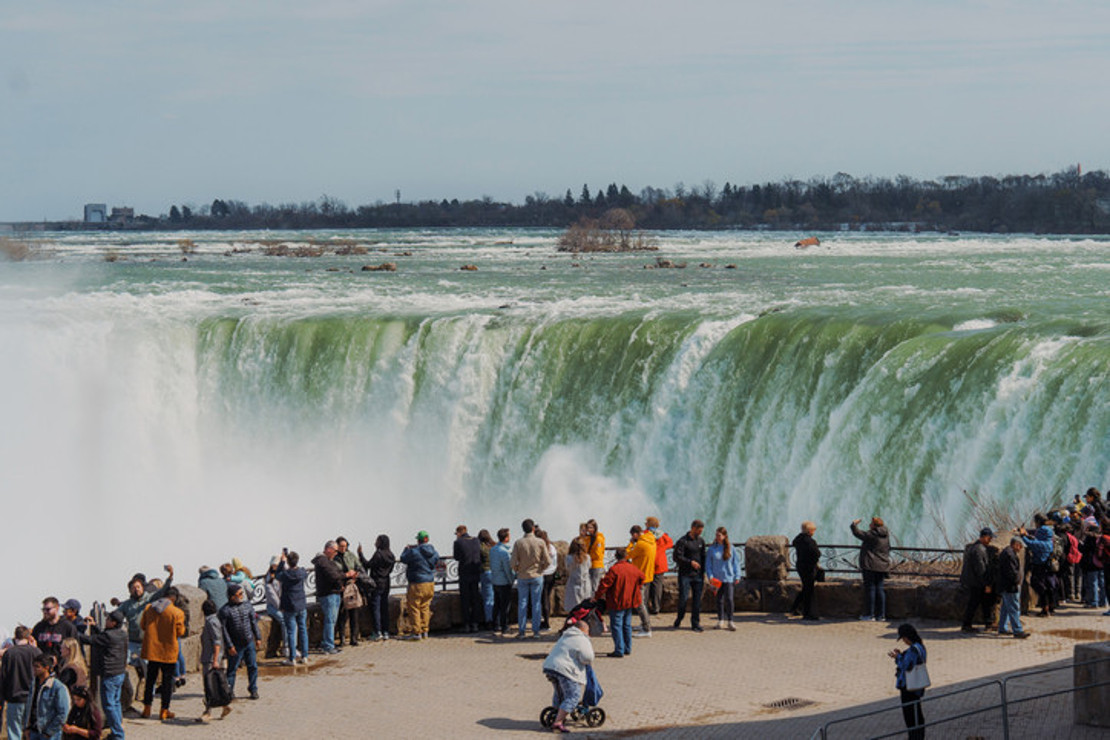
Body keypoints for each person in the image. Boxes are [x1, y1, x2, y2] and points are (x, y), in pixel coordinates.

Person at [541, 606, 596, 734]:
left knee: (560, 693)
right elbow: (588, 657)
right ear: (584, 630)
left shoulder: (565, 635)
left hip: (550, 667)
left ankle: (557, 712)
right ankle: (558, 722)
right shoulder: (582, 638)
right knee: (573, 696)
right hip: (565, 670)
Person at [79, 610, 127, 740]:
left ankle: (118, 735)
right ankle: (118, 729)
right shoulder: (122, 634)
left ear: (113, 622)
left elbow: (91, 640)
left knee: (109, 706)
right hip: (119, 673)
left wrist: (74, 633)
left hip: (110, 675)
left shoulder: (109, 636)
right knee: (115, 703)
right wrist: (95, 626)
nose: (106, 621)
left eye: (108, 619)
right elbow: (102, 636)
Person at [139, 586, 185, 721]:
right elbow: (180, 632)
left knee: (150, 680)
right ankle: (164, 710)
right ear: (174, 598)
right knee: (167, 682)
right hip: (168, 652)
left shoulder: (149, 608)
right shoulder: (177, 612)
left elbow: (143, 625)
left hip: (152, 651)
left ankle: (147, 708)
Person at [118, 566, 174, 674]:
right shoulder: (127, 604)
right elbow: (116, 615)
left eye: (138, 587)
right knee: (124, 660)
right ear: (130, 590)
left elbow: (163, 591)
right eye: (133, 588)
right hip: (132, 641)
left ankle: (148, 682)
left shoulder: (150, 599)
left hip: (147, 641)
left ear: (143, 587)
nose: (136, 589)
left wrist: (170, 577)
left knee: (148, 667)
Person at [594, 547, 644, 657]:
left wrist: (596, 597)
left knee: (616, 625)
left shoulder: (614, 570)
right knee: (626, 625)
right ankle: (627, 648)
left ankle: (619, 649)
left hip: (617, 601)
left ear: (616, 556)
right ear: (626, 556)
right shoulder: (633, 568)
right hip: (629, 600)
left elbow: (604, 585)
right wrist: (636, 587)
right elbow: (642, 577)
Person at [219, 584, 261, 700]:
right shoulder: (225, 611)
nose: (242, 596)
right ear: (232, 596)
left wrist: (258, 637)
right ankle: (229, 691)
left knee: (252, 666)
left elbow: (253, 622)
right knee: (232, 669)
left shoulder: (247, 606)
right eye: (240, 594)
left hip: (249, 641)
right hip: (236, 644)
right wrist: (229, 645)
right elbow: (224, 630)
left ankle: (253, 689)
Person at [510, 519, 550, 639]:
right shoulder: (540, 542)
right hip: (537, 576)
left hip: (523, 576)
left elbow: (512, 562)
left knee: (522, 603)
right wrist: (541, 568)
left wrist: (518, 569)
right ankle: (536, 631)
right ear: (533, 528)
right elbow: (548, 561)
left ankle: (522, 631)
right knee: (536, 603)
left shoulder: (518, 543)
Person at [1, 625, 43, 740]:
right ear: (28, 637)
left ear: (15, 637)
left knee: (14, 732)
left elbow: (4, 677)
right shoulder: (36, 652)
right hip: (33, 698)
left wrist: (3, 696)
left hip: (14, 697)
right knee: (32, 732)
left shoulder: (9, 653)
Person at [888, 623, 927, 740]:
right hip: (916, 685)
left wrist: (898, 657)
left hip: (909, 686)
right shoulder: (920, 647)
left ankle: (915, 737)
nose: (904, 641)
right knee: (916, 712)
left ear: (907, 637)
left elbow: (907, 665)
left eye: (903, 638)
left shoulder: (913, 649)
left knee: (910, 715)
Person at [312, 541, 352, 655]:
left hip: (334, 593)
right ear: (328, 549)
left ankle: (328, 643)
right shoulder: (322, 561)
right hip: (328, 594)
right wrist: (346, 575)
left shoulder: (328, 561)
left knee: (332, 620)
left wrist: (340, 585)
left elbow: (336, 573)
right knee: (330, 620)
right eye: (335, 551)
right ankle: (328, 646)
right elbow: (333, 575)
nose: (336, 553)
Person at [399, 531, 439, 640]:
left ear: (418, 540)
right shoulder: (433, 551)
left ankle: (417, 632)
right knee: (425, 607)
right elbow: (436, 560)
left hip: (417, 583)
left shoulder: (413, 551)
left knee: (414, 607)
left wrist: (406, 549)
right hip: (429, 582)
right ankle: (425, 630)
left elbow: (403, 558)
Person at [197, 598, 231, 723]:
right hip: (213, 658)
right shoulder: (214, 620)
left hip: (211, 659)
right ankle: (224, 706)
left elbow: (217, 642)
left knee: (209, 686)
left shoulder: (211, 622)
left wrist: (215, 660)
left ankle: (208, 712)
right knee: (216, 685)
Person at [851, 517, 891, 621]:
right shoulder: (886, 535)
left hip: (870, 565)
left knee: (870, 589)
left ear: (874, 525)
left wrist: (854, 524)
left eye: (871, 523)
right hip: (882, 565)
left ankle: (869, 615)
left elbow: (858, 533)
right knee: (880, 589)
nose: (869, 525)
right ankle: (881, 615)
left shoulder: (872, 534)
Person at [358, 536, 396, 641]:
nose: (375, 543)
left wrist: (360, 554)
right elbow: (390, 570)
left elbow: (368, 565)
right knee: (384, 607)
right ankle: (386, 631)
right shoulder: (391, 555)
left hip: (376, 583)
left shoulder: (378, 554)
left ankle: (377, 631)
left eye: (377, 541)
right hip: (386, 582)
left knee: (376, 608)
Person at [1020, 515, 1058, 617]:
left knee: (1039, 586)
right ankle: (1050, 607)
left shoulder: (1042, 544)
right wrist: (1028, 534)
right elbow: (1035, 540)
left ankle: (1045, 608)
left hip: (1040, 566)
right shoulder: (1049, 541)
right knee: (1048, 587)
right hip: (1047, 566)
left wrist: (1022, 536)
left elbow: (1031, 543)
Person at [672, 519, 707, 631]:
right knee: (683, 598)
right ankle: (679, 618)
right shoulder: (682, 541)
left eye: (701, 531)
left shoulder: (701, 541)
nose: (700, 533)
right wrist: (690, 562)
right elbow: (676, 557)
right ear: (693, 528)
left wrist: (705, 572)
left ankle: (695, 623)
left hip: (698, 575)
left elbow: (703, 557)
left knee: (697, 600)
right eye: (698, 531)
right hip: (685, 575)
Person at [960, 528, 997, 633]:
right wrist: (986, 584)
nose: (990, 540)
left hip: (974, 581)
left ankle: (972, 624)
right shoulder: (979, 550)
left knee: (976, 603)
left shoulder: (976, 548)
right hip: (977, 582)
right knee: (980, 603)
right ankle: (981, 624)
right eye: (989, 538)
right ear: (984, 537)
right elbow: (980, 569)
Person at [276, 551, 309, 664]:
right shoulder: (301, 572)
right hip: (301, 604)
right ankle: (305, 656)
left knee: (291, 632)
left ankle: (292, 658)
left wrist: (282, 562)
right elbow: (305, 572)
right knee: (303, 630)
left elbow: (277, 575)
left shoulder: (285, 575)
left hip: (289, 605)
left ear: (288, 562)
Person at [25, 654, 70, 740]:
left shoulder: (58, 687)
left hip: (49, 734)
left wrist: (49, 732)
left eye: (37, 667)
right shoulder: (33, 685)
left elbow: (63, 713)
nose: (34, 669)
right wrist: (27, 727)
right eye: (33, 666)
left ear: (46, 668)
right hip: (33, 731)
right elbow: (29, 707)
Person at [705, 526, 741, 631]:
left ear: (724, 536)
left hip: (729, 578)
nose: (717, 537)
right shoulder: (712, 549)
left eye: (719, 535)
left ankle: (730, 621)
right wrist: (710, 576)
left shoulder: (731, 548)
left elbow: (736, 563)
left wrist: (737, 575)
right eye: (716, 535)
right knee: (719, 600)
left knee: (729, 599)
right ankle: (720, 620)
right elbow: (708, 564)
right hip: (717, 579)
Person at [625, 524, 656, 638]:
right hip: (648, 575)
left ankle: (647, 629)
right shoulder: (651, 540)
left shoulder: (640, 544)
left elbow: (627, 555)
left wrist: (631, 543)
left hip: (640, 577)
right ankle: (644, 624)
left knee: (639, 603)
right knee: (644, 602)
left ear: (635, 534)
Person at [997, 538, 1030, 638]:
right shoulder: (1009, 555)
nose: (1021, 548)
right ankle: (1017, 630)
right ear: (1015, 544)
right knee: (1014, 607)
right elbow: (1011, 573)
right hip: (1010, 586)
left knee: (1006, 608)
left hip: (1006, 585)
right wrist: (1017, 581)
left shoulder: (1007, 553)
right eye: (1020, 546)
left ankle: (1003, 627)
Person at [333, 537, 364, 647]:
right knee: (342, 615)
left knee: (354, 614)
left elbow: (359, 567)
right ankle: (342, 638)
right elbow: (334, 573)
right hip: (341, 588)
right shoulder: (334, 558)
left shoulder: (350, 555)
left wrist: (355, 574)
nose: (343, 548)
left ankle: (354, 638)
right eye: (341, 546)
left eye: (345, 546)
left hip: (352, 586)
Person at [32, 598, 79, 668]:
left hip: (61, 668)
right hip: (43, 669)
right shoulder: (39, 627)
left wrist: (59, 659)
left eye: (48, 609)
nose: (45, 612)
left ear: (57, 608)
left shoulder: (68, 627)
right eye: (43, 609)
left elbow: (74, 651)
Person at [453, 525, 483, 633]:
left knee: (465, 600)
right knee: (475, 599)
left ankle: (466, 625)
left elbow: (456, 557)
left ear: (459, 533)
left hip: (464, 573)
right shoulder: (476, 540)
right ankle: (475, 624)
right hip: (475, 572)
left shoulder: (458, 542)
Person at [791, 521, 822, 621]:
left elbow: (793, 543)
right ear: (809, 531)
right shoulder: (810, 541)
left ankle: (795, 607)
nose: (814, 532)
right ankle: (808, 613)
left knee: (806, 587)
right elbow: (817, 553)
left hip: (800, 566)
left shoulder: (798, 539)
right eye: (813, 530)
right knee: (809, 590)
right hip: (809, 567)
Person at [489, 528, 515, 635]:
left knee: (497, 604)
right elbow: (507, 569)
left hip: (495, 580)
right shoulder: (504, 552)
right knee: (505, 606)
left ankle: (495, 625)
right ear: (506, 538)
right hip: (504, 582)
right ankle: (504, 626)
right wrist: (511, 580)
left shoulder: (493, 550)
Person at [646, 517, 673, 614]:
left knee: (646, 586)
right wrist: (662, 548)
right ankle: (656, 607)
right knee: (657, 586)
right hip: (660, 562)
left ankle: (645, 607)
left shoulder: (645, 534)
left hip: (648, 562)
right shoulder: (662, 535)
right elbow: (670, 543)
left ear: (648, 524)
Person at [535, 528, 559, 631]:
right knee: (547, 597)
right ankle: (546, 619)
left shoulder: (541, 548)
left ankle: (546, 623)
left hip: (543, 575)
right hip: (552, 574)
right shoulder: (552, 548)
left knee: (543, 599)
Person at [563, 539, 593, 612]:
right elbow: (589, 567)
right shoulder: (587, 557)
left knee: (574, 608)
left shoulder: (569, 558)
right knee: (584, 607)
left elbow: (567, 568)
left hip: (573, 583)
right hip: (585, 583)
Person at [478, 529, 496, 630]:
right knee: (496, 597)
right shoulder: (494, 546)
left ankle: (489, 620)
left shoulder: (480, 547)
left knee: (488, 598)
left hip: (485, 573)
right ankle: (497, 620)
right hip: (495, 573)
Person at [585, 520, 606, 592]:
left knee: (595, 587)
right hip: (589, 565)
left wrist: (588, 556)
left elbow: (598, 554)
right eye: (588, 527)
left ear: (595, 528)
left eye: (591, 527)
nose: (589, 529)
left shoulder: (599, 539)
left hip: (597, 565)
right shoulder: (588, 538)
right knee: (589, 587)